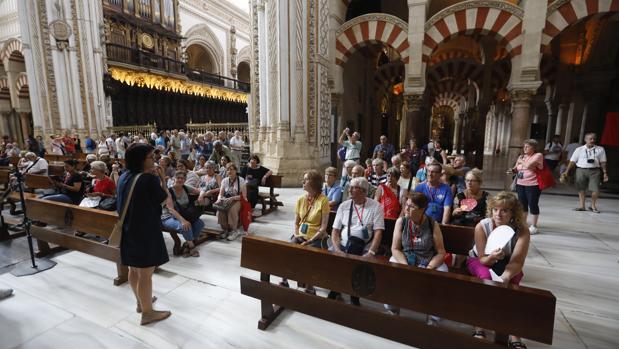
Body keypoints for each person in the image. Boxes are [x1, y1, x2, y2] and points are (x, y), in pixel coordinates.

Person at [466, 191, 530, 346]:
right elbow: (482, 258)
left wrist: (506, 276)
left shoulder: (522, 231)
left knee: (513, 283)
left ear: (513, 213)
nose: (498, 214)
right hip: (480, 261)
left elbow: (517, 262)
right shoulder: (483, 226)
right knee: (486, 279)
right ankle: (479, 327)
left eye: (504, 210)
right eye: (495, 209)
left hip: (508, 265)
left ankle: (513, 335)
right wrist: (492, 257)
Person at [117, 143, 171, 325]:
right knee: (146, 273)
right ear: (141, 160)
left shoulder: (124, 176)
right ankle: (147, 313)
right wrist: (163, 180)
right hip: (145, 230)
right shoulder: (148, 179)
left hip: (128, 229)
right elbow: (164, 201)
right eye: (150, 157)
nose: (154, 159)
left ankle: (141, 303)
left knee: (134, 269)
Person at [387, 192, 448, 317]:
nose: (406, 209)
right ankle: (392, 311)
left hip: (427, 260)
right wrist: (405, 266)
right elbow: (395, 249)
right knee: (392, 267)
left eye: (411, 207)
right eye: (406, 205)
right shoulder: (401, 222)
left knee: (442, 274)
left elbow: (441, 252)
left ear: (422, 210)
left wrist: (430, 267)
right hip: (405, 259)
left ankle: (433, 319)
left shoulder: (432, 224)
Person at [329, 177, 384, 305]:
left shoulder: (375, 207)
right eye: (350, 187)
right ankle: (335, 289)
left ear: (364, 191)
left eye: (354, 188)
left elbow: (378, 232)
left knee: (362, 263)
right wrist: (337, 249)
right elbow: (335, 231)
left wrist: (371, 252)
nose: (350, 190)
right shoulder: (344, 206)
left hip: (364, 247)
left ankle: (354, 294)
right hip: (343, 244)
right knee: (332, 257)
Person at [280, 170, 330, 293]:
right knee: (287, 250)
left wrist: (310, 240)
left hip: (316, 238)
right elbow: (297, 222)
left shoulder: (323, 200)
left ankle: (310, 286)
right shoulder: (300, 200)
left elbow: (323, 227)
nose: (303, 181)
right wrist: (297, 235)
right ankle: (284, 280)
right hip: (301, 235)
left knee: (310, 256)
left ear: (314, 182)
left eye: (306, 179)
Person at [561, 133, 608, 213]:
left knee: (595, 189)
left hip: (595, 171)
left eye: (594, 139)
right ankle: (582, 206)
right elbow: (572, 161)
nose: (592, 140)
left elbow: (603, 162)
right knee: (581, 188)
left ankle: (593, 206)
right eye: (590, 139)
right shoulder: (579, 149)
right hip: (581, 170)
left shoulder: (600, 149)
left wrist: (605, 173)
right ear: (585, 140)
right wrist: (566, 171)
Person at [161, 171, 205, 257]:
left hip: (183, 214)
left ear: (185, 180)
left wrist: (200, 196)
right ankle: (192, 247)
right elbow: (170, 209)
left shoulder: (185, 187)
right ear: (174, 179)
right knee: (185, 226)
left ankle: (187, 245)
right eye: (178, 178)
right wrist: (183, 221)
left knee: (200, 224)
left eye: (182, 178)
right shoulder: (169, 191)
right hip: (168, 217)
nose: (180, 180)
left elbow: (202, 190)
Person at [511, 139, 543, 234]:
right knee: (522, 204)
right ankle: (523, 223)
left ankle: (534, 225)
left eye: (527, 146)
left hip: (533, 184)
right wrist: (512, 170)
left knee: (533, 204)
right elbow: (516, 168)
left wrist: (521, 161)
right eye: (524, 146)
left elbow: (529, 166)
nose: (524, 148)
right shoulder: (522, 156)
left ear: (534, 148)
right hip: (520, 183)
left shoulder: (538, 156)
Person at [214, 163, 247, 241]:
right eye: (228, 169)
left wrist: (233, 198)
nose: (229, 171)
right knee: (220, 210)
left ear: (236, 170)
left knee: (232, 209)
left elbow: (244, 196)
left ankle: (234, 231)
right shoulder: (225, 180)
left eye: (232, 169)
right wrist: (219, 199)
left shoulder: (241, 180)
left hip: (238, 200)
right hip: (227, 200)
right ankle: (225, 230)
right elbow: (220, 194)